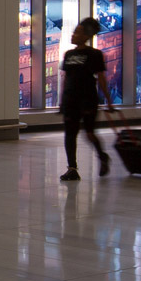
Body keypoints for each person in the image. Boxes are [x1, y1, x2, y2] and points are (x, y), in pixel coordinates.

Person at [58, 18, 116, 181]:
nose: (73, 34)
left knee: (89, 133)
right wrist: (62, 100)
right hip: (71, 100)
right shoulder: (68, 54)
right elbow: (66, 78)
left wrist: (108, 100)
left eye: (77, 31)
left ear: (86, 35)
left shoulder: (95, 55)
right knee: (70, 134)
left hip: (88, 99)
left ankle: (102, 156)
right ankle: (72, 168)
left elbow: (101, 78)